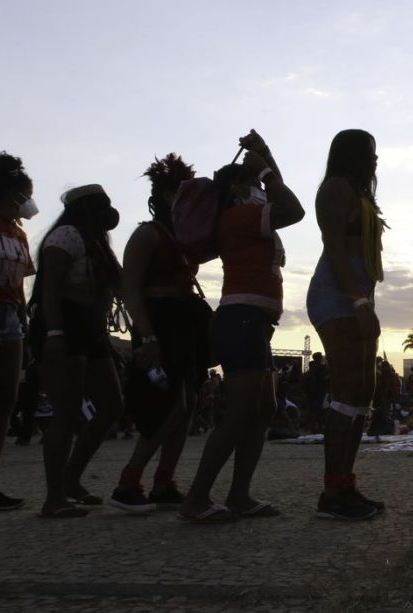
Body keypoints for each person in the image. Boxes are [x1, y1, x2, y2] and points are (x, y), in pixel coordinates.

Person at [179, 130, 304, 522]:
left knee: (262, 409)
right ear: (237, 189)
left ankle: (239, 495)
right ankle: (196, 498)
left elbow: (277, 194)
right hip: (243, 320)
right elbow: (293, 207)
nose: (261, 190)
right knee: (239, 413)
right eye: (254, 185)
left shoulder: (243, 214)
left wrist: (265, 154)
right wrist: (264, 169)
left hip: (253, 322)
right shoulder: (238, 217)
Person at [110, 153, 212, 514]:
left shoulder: (184, 238)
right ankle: (129, 480)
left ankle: (164, 482)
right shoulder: (146, 235)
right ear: (165, 195)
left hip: (182, 321)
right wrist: (148, 336)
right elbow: (131, 289)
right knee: (170, 404)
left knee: (187, 405)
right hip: (157, 322)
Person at [29, 184, 125, 518]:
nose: (109, 210)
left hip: (89, 328)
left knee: (112, 404)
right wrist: (54, 332)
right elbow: (50, 290)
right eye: (102, 204)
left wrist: (103, 338)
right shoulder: (66, 236)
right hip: (63, 323)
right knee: (66, 412)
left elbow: (106, 293)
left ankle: (71, 479)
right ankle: (54, 497)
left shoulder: (97, 242)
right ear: (86, 208)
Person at [306, 129, 385, 520]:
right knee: (346, 389)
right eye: (370, 152)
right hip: (337, 296)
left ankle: (346, 483)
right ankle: (331, 492)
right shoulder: (336, 189)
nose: (376, 159)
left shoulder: (358, 191)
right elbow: (336, 248)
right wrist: (357, 302)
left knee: (363, 393)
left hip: (357, 296)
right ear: (352, 155)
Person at [0, 153, 37, 511]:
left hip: (10, 315)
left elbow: (18, 285)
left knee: (5, 401)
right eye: (27, 193)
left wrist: (24, 326)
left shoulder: (18, 233)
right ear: (14, 193)